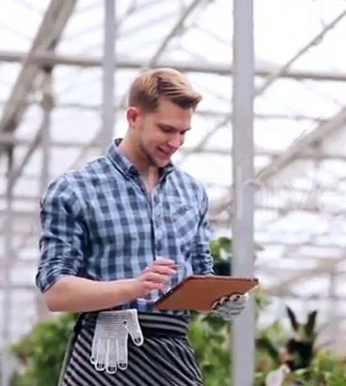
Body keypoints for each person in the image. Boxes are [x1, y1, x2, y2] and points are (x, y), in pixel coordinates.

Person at [35, 68, 248, 385]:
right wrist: (132, 288)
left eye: (183, 132)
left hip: (173, 355)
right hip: (106, 352)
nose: (176, 142)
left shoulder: (192, 192)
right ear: (134, 117)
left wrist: (221, 300)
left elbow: (202, 274)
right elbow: (56, 292)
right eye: (166, 129)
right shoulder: (75, 190)